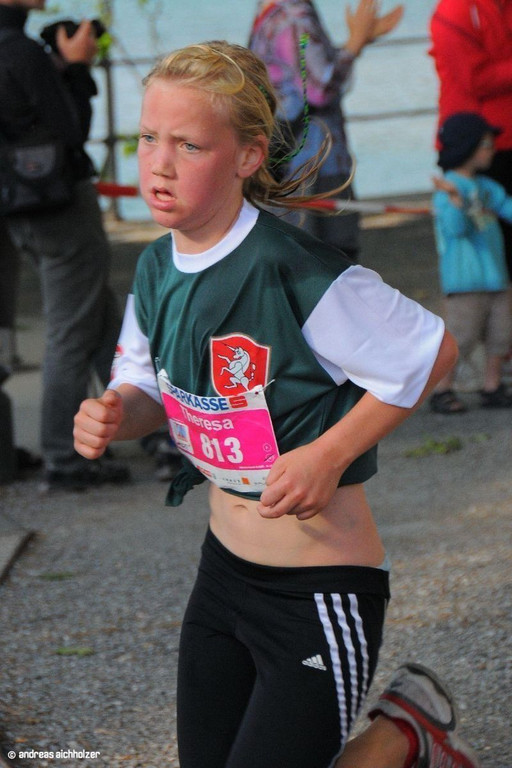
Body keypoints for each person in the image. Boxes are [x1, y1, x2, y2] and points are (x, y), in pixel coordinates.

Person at [73, 41, 479, 768]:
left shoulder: (294, 270)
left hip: (319, 594)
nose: (159, 164)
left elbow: (430, 354)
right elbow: (148, 389)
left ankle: (404, 734)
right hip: (220, 576)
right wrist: (115, 414)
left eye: (189, 145)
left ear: (248, 157)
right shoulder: (156, 264)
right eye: (148, 138)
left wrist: (329, 454)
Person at [0, 0, 129, 491]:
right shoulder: (21, 51)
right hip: (60, 209)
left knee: (102, 320)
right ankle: (63, 459)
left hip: (21, 208)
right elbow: (72, 130)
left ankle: (149, 428)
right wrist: (75, 67)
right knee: (72, 332)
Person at [248, 0, 403, 261]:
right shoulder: (296, 17)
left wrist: (360, 41)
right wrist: (355, 44)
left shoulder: (271, 15)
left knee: (297, 256)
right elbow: (319, 89)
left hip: (289, 162)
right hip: (315, 162)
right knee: (330, 258)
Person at [430, 112, 512, 414]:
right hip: (464, 280)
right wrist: (454, 202)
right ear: (467, 147)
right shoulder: (447, 189)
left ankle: (492, 385)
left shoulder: (487, 187)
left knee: (501, 334)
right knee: (461, 337)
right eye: (486, 144)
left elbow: (507, 207)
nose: (492, 150)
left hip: (496, 276)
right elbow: (454, 229)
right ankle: (442, 388)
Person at [429, 0, 512, 282]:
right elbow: (474, 79)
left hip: (493, 142)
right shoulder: (456, 9)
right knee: (475, 242)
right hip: (474, 146)